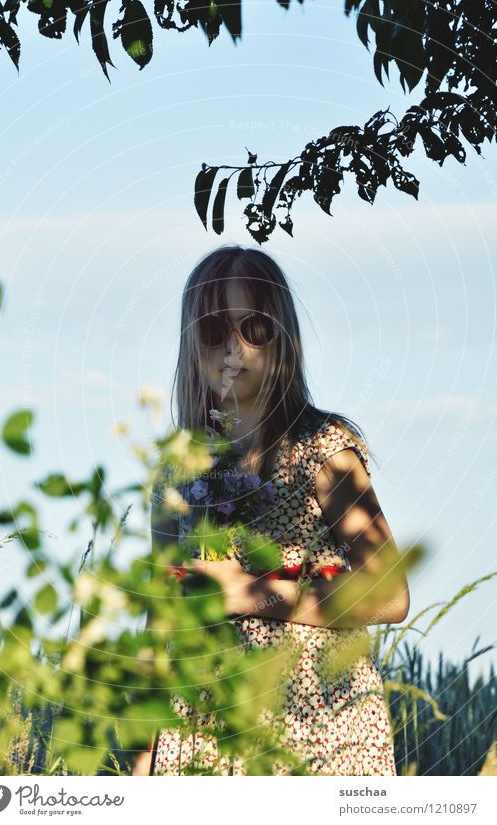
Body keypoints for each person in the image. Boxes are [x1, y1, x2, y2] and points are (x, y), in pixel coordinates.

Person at [134, 244, 409, 776]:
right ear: (192, 342)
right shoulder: (175, 472)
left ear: (279, 336)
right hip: (200, 736)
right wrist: (141, 761)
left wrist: (255, 595)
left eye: (252, 327)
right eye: (215, 329)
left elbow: (391, 594)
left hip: (317, 731)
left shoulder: (322, 449)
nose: (232, 346)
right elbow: (158, 618)